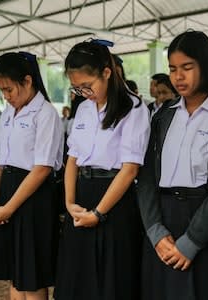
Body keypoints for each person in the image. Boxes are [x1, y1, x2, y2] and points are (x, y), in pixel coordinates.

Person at [137, 30, 208, 300]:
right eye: (173, 69)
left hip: (204, 224)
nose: (178, 76)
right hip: (162, 223)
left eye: (187, 67)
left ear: (206, 66)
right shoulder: (163, 115)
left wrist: (192, 241)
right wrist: (155, 230)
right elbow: (147, 175)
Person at [54, 39, 150, 300]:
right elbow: (72, 159)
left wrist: (98, 213)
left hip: (114, 200)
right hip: (81, 198)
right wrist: (70, 203)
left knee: (111, 281)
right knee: (77, 279)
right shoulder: (84, 109)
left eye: (88, 86)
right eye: (77, 88)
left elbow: (130, 169)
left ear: (107, 73)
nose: (84, 93)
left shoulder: (134, 108)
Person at [0, 51, 63, 300]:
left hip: (33, 196)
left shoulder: (46, 114)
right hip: (7, 190)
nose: (6, 97)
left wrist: (10, 207)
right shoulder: (9, 112)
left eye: (9, 90)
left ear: (28, 81)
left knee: (33, 273)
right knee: (15, 270)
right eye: (1, 91)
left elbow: (42, 168)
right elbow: (0, 160)